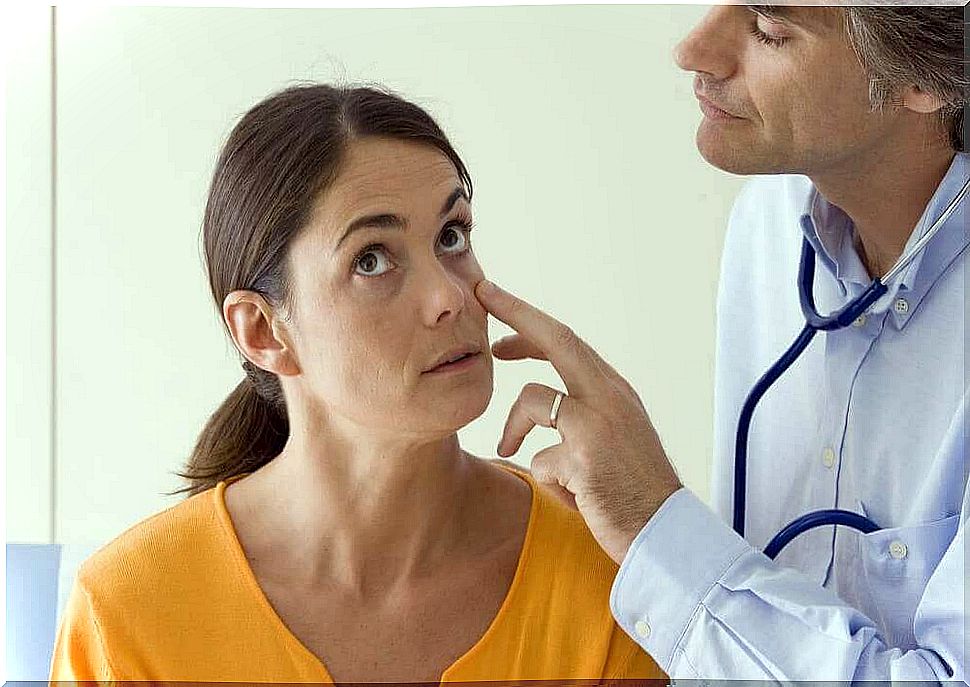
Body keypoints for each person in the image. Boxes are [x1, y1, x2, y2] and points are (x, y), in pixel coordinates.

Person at [48, 84, 664, 683]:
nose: (450, 297)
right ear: (263, 331)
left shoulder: (608, 576)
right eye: (372, 258)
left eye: (451, 236)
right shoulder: (128, 614)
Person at [473, 4, 967, 681]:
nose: (692, 50)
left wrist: (655, 528)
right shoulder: (769, 225)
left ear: (926, 76)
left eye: (769, 29)